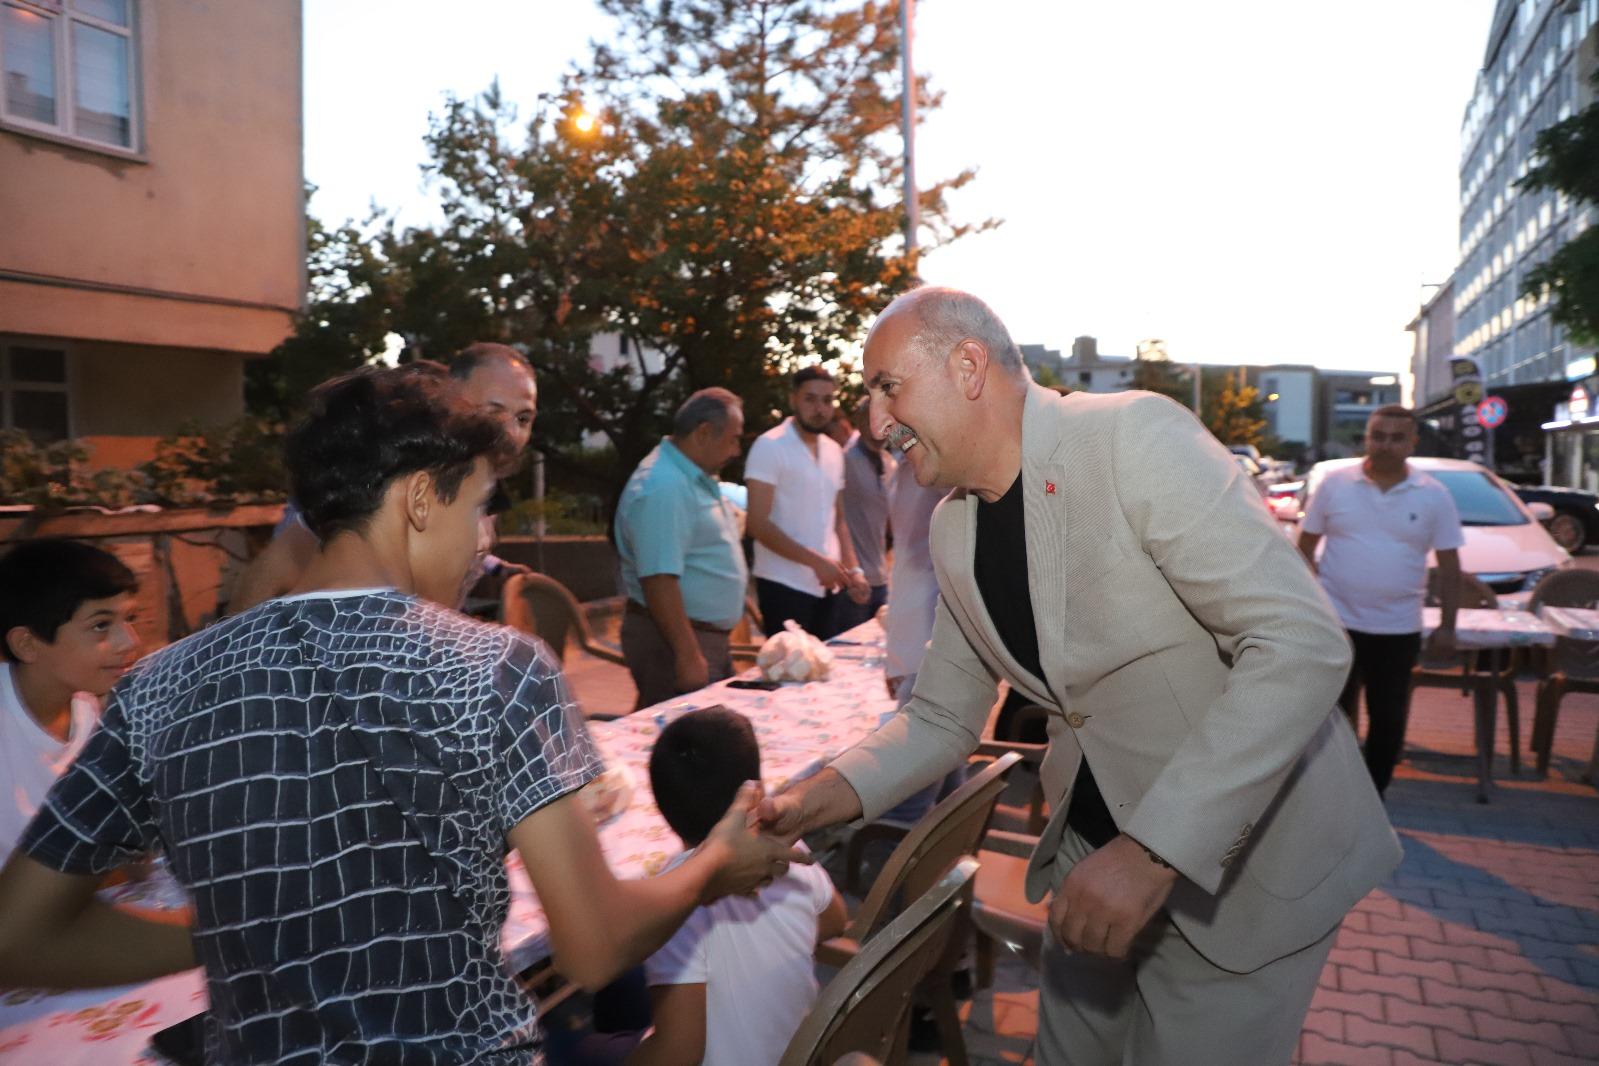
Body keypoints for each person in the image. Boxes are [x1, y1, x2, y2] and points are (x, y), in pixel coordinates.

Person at [0, 366, 804, 1064]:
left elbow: (20, 935)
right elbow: (594, 947)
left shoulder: (158, 685)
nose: (483, 542)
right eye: (481, 506)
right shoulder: (495, 666)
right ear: (421, 499)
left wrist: (235, 928)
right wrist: (709, 868)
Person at [759, 287, 1403, 1066]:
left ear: (967, 366)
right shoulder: (953, 528)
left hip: (1242, 872)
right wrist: (803, 802)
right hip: (1091, 862)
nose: (874, 422)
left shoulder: (1133, 438)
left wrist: (1152, 852)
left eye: (886, 386)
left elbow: (1299, 643)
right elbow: (937, 719)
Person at [229, 342, 538, 613]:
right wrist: (230, 662)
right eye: (493, 411)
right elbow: (269, 573)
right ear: (450, 401)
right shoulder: (372, 484)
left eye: (522, 418)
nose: (509, 431)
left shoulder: (478, 493)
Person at [629, 708, 846, 1066]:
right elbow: (834, 920)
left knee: (586, 1040)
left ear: (660, 806)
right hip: (801, 1054)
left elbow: (678, 1053)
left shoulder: (671, 899)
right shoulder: (785, 849)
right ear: (755, 792)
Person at [1296, 404, 1463, 796]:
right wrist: (1309, 604)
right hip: (1336, 624)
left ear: (1412, 442)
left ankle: (1373, 796)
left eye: (1396, 437)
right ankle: (1328, 795)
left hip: (1398, 628)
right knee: (1329, 716)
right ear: (1367, 438)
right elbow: (1304, 546)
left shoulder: (1433, 495)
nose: (1386, 445)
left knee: (1388, 720)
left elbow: (1451, 565)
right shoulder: (1334, 484)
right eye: (1378, 435)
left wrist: (1449, 626)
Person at [0, 539, 140, 863]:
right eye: (101, 626)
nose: (130, 642)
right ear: (26, 643)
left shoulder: (92, 713)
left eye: (130, 618)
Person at [614, 388, 749, 708]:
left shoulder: (689, 477)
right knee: (686, 747)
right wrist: (688, 655)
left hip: (696, 639)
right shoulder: (664, 486)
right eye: (733, 438)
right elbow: (659, 579)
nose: (736, 450)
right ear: (703, 433)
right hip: (676, 643)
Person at [744, 366, 869, 640]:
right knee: (789, 675)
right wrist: (816, 562)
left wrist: (855, 571)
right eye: (810, 399)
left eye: (827, 400)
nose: (820, 409)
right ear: (793, 400)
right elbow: (757, 524)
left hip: (829, 588)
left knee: (824, 676)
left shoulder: (834, 451)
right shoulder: (769, 446)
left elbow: (838, 521)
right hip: (783, 585)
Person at [832, 401, 895, 634]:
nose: (881, 426)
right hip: (854, 581)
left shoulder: (889, 463)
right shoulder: (843, 461)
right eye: (874, 419)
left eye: (887, 419)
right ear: (859, 422)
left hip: (881, 577)